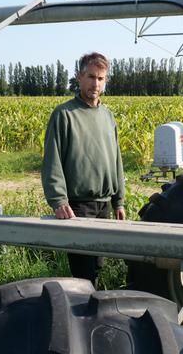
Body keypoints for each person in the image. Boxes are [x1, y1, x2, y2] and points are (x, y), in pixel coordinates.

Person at [41, 52, 126, 287]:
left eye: (101, 78)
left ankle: (91, 313)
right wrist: (58, 200)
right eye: (90, 77)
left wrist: (118, 201)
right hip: (77, 205)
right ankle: (80, 317)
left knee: (98, 267)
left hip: (104, 204)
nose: (95, 84)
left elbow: (115, 159)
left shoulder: (107, 116)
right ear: (79, 77)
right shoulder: (64, 114)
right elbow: (52, 160)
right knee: (82, 272)